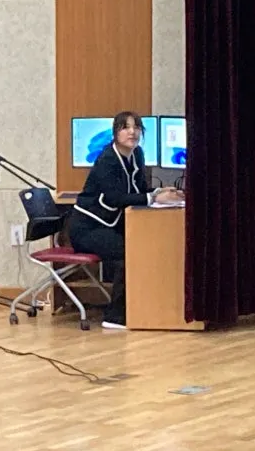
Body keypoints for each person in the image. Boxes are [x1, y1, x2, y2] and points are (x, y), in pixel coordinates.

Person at [68, 111, 183, 330]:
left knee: (144, 245)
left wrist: (160, 192)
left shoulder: (137, 154)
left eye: (137, 127)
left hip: (111, 224)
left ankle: (144, 307)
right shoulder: (107, 159)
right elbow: (115, 197)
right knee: (126, 252)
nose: (132, 132)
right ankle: (115, 316)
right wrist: (153, 198)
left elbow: (138, 189)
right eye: (126, 127)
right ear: (115, 132)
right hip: (87, 229)